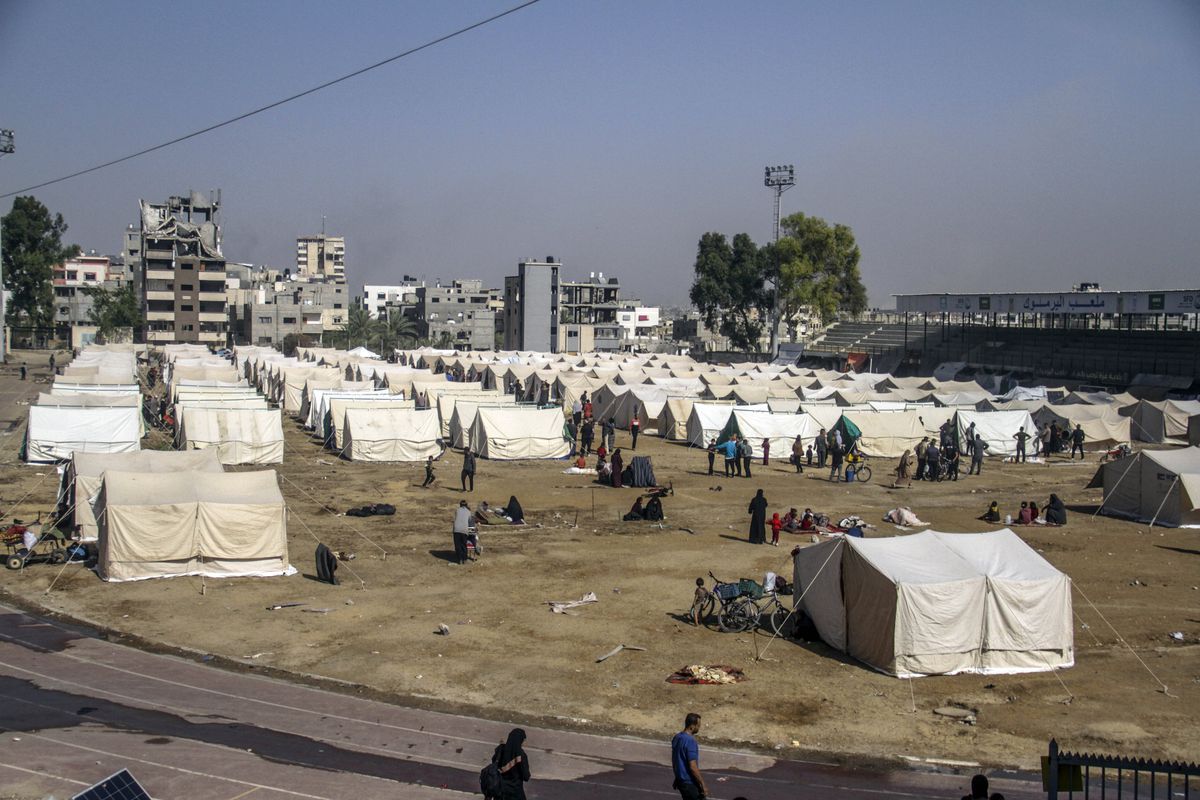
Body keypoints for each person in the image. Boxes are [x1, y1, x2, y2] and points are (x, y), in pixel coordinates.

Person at [671, 713, 708, 800]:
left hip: (681, 782)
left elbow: (676, 760)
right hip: (690, 783)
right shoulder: (690, 741)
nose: (699, 728)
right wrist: (703, 785)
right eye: (698, 725)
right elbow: (693, 767)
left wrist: (677, 777)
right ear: (692, 726)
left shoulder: (677, 737)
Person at [492, 728, 531, 800]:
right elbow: (526, 777)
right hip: (515, 792)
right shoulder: (521, 755)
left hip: (500, 790)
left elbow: (494, 763)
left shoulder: (500, 750)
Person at [452, 500, 473, 564]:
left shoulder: (457, 510)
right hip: (464, 530)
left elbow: (455, 519)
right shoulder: (469, 512)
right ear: (466, 505)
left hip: (456, 529)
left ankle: (460, 559)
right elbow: (470, 522)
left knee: (458, 545)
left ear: (460, 505)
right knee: (464, 544)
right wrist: (471, 534)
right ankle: (465, 558)